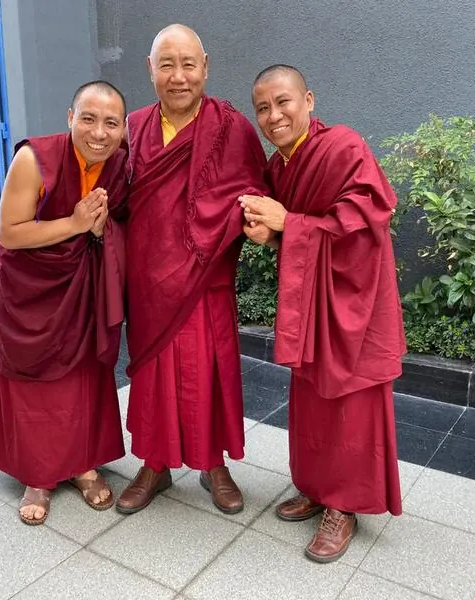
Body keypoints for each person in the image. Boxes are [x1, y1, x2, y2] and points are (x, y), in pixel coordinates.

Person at [240, 64, 406, 563]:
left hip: (355, 298)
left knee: (350, 404)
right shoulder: (280, 166)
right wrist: (272, 234)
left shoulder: (344, 147)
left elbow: (361, 223)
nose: (274, 116)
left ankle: (345, 506)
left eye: (283, 102)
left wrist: (286, 223)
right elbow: (294, 232)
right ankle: (317, 487)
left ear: (308, 100)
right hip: (314, 300)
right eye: (263, 108)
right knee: (312, 397)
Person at [116, 24, 269, 515]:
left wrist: (251, 222)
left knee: (210, 371)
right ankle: (155, 466)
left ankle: (214, 464)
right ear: (150, 69)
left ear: (205, 66)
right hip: (147, 283)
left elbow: (255, 194)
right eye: (167, 65)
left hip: (205, 280)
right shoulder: (132, 126)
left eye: (188, 65)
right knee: (156, 377)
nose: (178, 76)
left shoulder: (234, 127)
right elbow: (115, 199)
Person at [0, 81, 129, 525]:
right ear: (70, 117)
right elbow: (10, 232)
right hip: (32, 291)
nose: (99, 133)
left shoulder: (118, 165)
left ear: (123, 129)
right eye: (88, 119)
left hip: (84, 287)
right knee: (37, 380)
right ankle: (39, 475)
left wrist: (101, 230)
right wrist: (74, 223)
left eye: (111, 123)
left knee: (84, 374)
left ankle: (82, 464)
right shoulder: (34, 159)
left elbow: (120, 224)